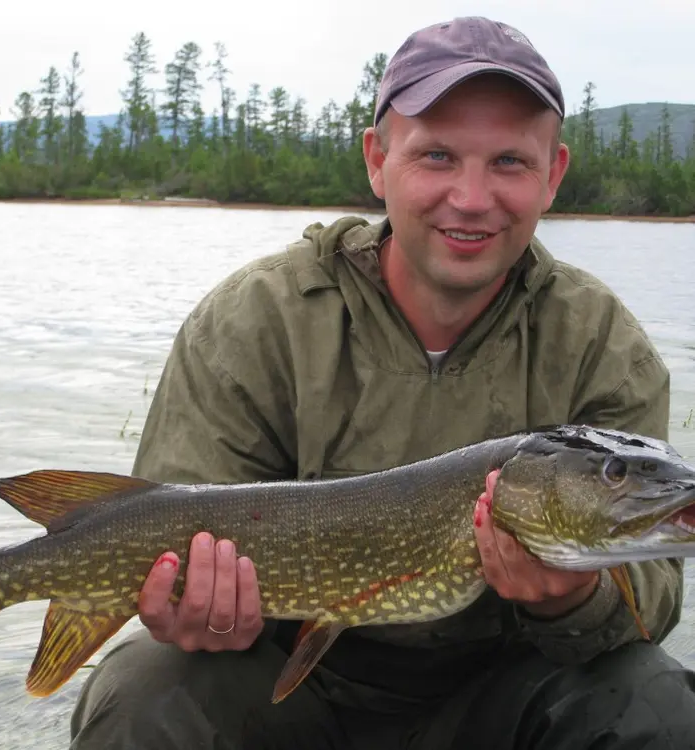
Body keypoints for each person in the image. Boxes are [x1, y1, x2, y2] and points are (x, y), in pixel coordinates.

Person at [69, 16, 695, 750]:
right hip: (285, 696)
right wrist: (195, 609)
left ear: (553, 175)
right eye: (437, 155)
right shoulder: (254, 319)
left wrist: (576, 599)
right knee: (146, 690)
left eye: (508, 162)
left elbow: (655, 592)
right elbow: (162, 522)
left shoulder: (601, 342)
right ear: (377, 159)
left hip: (504, 697)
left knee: (652, 704)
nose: (471, 197)